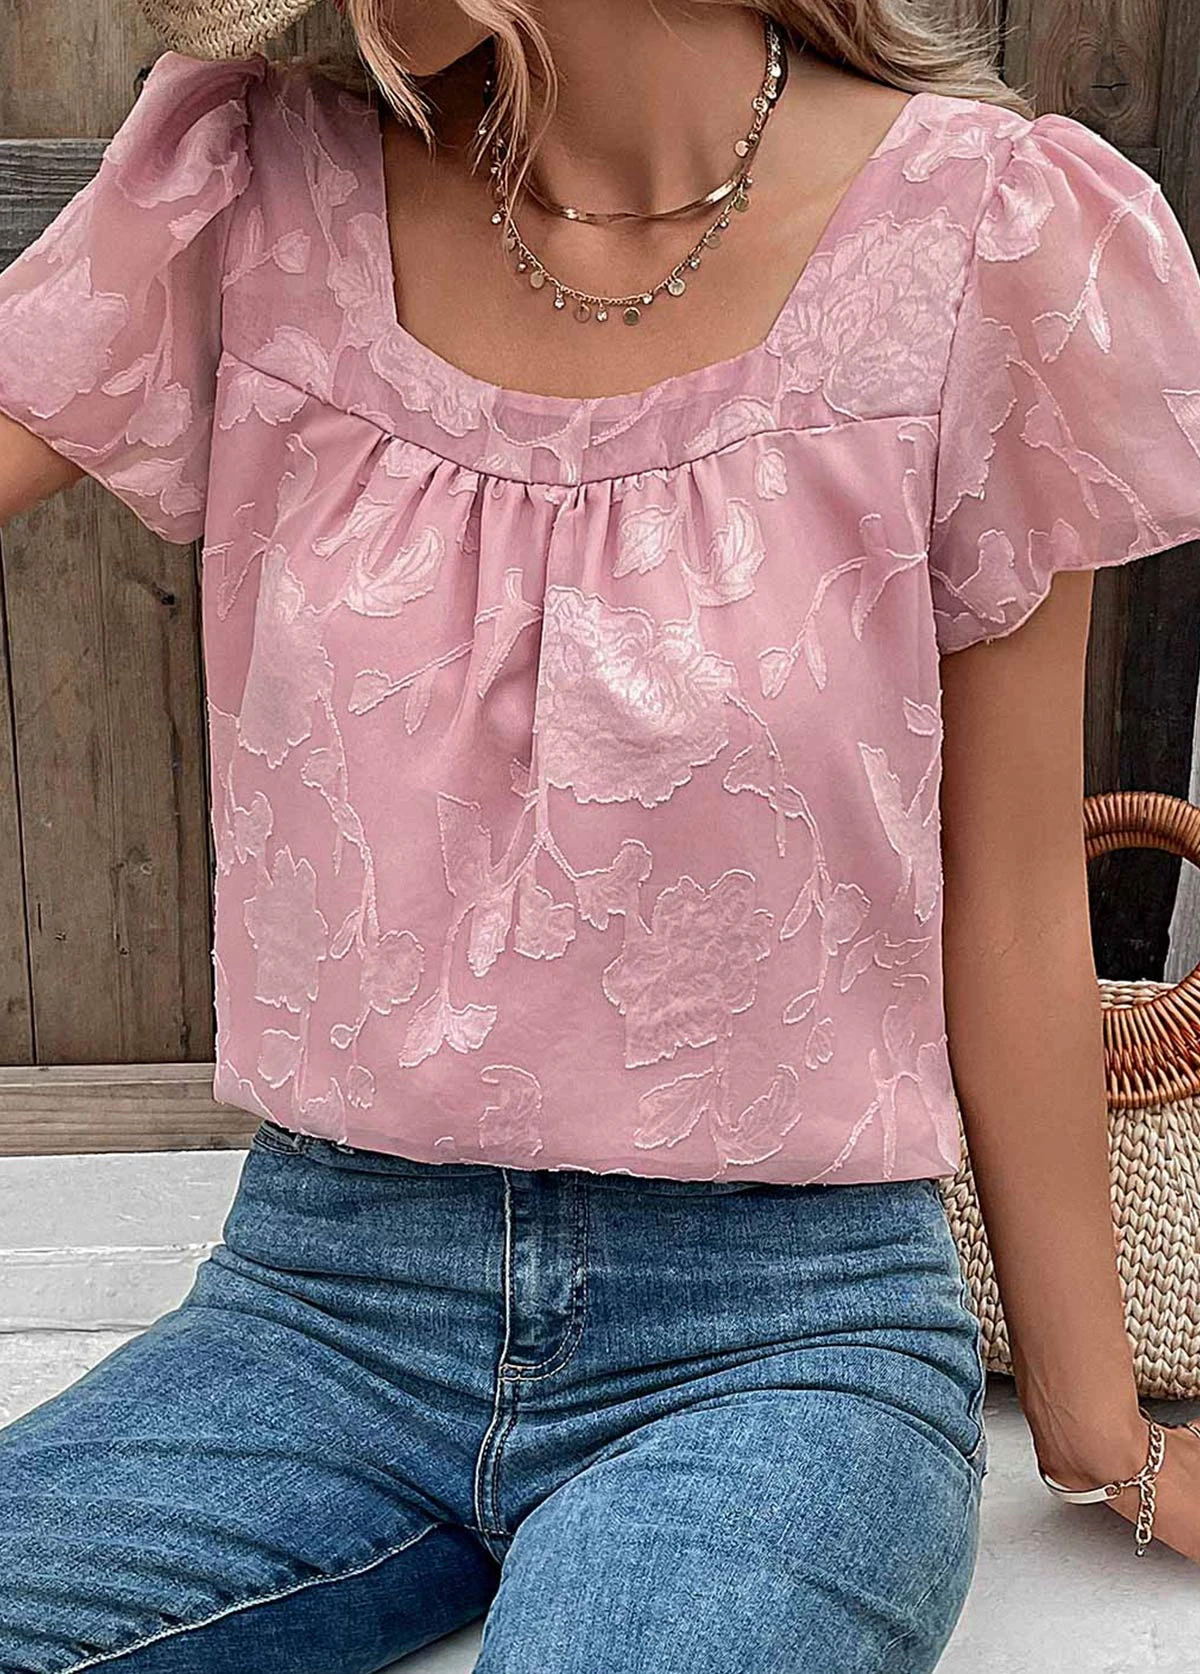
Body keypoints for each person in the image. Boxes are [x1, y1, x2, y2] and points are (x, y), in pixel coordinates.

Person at [0, 1, 1198, 1668]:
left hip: (780, 1339)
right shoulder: (252, 178)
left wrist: (1100, 1432)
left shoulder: (981, 239)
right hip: (316, 1305)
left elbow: (1009, 901)